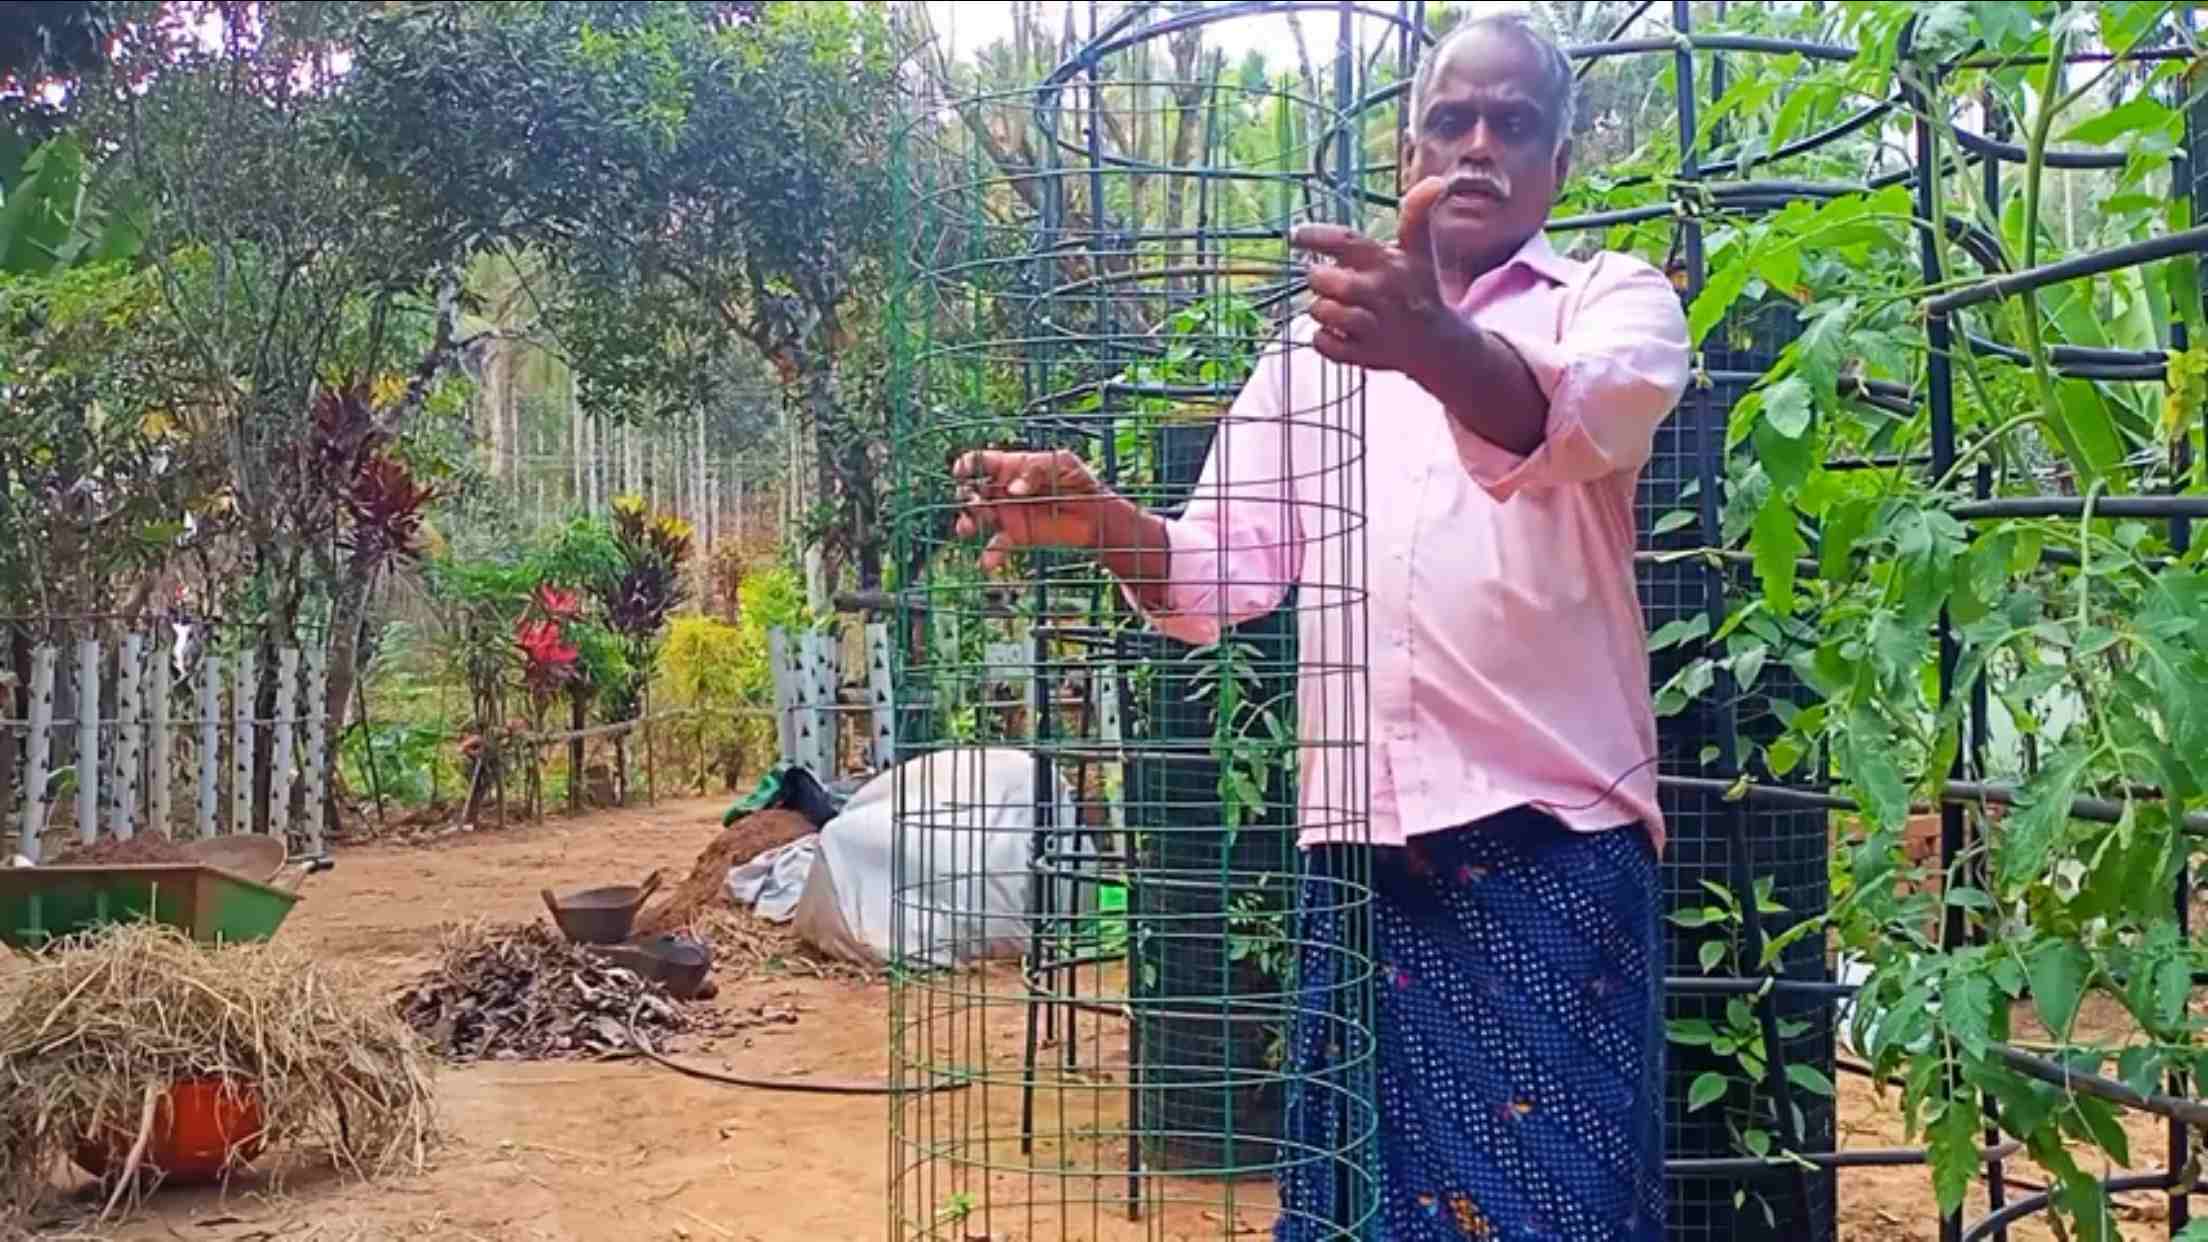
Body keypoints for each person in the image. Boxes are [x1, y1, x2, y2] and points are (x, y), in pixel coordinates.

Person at [952, 13, 1688, 1241]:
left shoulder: (1612, 305)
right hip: (1364, 857)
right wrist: (1106, 522)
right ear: (1410, 146)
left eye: (1514, 124)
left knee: (1561, 1208)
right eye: (1451, 120)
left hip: (1550, 849)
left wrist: (1429, 343)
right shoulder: (1312, 355)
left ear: (1563, 164)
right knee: (1364, 1208)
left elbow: (1573, 425)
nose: (1476, 147)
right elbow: (1219, 569)